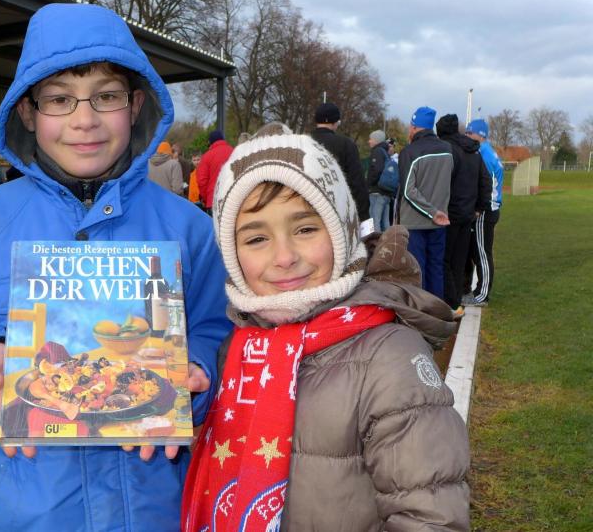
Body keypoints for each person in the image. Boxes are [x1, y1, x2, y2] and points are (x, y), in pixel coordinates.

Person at [0, 3, 231, 531]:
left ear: (136, 104)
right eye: (59, 99)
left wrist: (198, 374)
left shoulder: (190, 228)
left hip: (160, 511)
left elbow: (221, 337)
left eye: (107, 96)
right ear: (28, 112)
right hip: (32, 515)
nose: (85, 120)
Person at [181, 123, 470, 531]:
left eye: (305, 229)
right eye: (256, 238)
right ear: (232, 254)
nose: (284, 257)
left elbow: (430, 517)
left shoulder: (389, 359)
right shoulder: (240, 345)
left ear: (342, 231)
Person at [437, 114, 491, 318]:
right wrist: (479, 207)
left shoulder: (447, 150)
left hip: (449, 213)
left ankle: (448, 301)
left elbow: (443, 182)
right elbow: (485, 181)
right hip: (467, 213)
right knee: (459, 260)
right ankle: (457, 296)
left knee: (444, 259)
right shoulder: (474, 152)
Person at [396, 106, 453, 299]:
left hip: (416, 223)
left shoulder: (409, 151)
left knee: (417, 270)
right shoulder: (447, 150)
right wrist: (438, 212)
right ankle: (436, 309)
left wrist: (432, 212)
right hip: (440, 221)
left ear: (414, 127)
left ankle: (422, 311)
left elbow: (408, 190)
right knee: (436, 268)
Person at [310, 101, 373, 237]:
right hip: (338, 213)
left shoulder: (302, 142)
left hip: (308, 211)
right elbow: (357, 183)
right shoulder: (346, 144)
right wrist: (364, 216)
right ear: (336, 122)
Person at [464, 119, 503, 308]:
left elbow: (484, 185)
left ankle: (482, 295)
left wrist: (479, 208)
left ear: (481, 135)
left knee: (482, 252)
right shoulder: (487, 151)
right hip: (490, 207)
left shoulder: (483, 154)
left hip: (486, 210)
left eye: (470, 133)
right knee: (478, 251)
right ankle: (478, 291)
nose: (467, 136)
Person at [196, 130, 233, 212]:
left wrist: (206, 198)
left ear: (210, 142)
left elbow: (202, 181)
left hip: (213, 200)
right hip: (233, 199)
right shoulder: (234, 151)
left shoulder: (206, 156)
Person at [366, 128, 392, 233]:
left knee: (374, 221)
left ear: (376, 140)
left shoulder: (377, 151)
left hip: (376, 192)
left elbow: (376, 170)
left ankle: (376, 242)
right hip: (386, 193)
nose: (369, 141)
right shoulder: (385, 153)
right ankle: (390, 241)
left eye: (371, 139)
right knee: (385, 222)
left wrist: (368, 184)